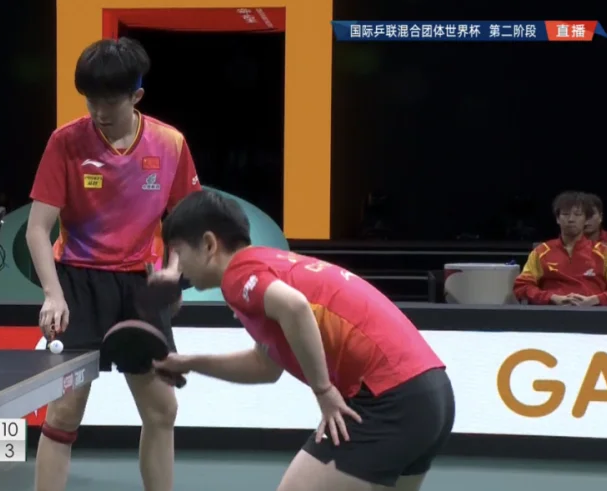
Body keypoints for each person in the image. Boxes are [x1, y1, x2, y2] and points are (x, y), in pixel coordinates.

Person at [153, 191, 454, 491]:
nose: (176, 268)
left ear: (209, 244)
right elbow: (264, 366)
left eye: (178, 252)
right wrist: (187, 362)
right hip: (432, 394)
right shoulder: (270, 266)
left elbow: (295, 307)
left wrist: (323, 391)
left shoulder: (239, 275)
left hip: (389, 398)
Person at [26, 38, 201, 491]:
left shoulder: (170, 143)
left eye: (110, 101)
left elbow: (186, 223)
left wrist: (172, 273)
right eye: (91, 100)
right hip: (78, 283)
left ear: (136, 95)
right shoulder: (66, 142)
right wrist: (52, 294)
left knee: (163, 409)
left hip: (140, 288)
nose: (99, 111)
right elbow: (37, 228)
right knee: (64, 411)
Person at [514, 191, 607, 305]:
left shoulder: (604, 253)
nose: (571, 219)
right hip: (551, 314)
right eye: (565, 214)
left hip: (593, 315)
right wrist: (552, 297)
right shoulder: (541, 251)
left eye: (578, 215)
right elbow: (522, 286)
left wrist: (595, 299)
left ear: (585, 220)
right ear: (557, 219)